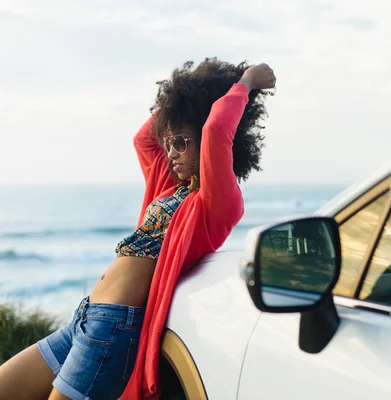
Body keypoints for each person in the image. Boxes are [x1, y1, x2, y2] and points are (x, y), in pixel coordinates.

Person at [0, 58, 276, 400]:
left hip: (112, 328)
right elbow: (144, 140)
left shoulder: (218, 202)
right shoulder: (171, 186)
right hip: (85, 317)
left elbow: (216, 130)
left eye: (181, 142)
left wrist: (244, 85)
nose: (171, 152)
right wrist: (185, 99)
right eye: (170, 142)